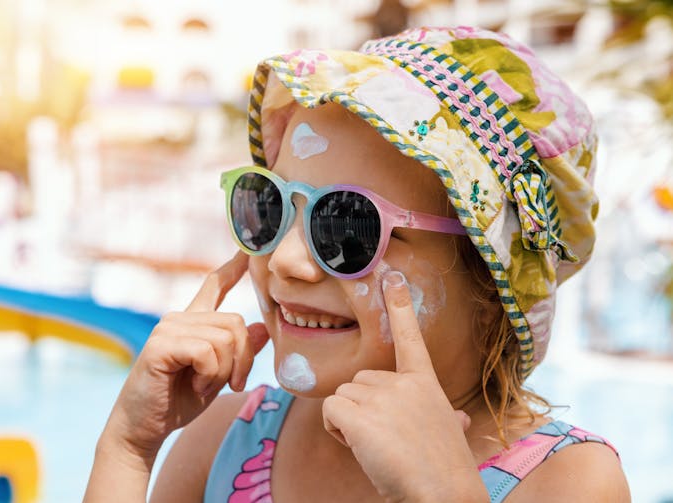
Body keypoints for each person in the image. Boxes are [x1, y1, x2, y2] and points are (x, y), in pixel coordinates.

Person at [85, 26, 630, 502]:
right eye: (271, 206)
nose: (287, 260)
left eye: (348, 225)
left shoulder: (567, 482)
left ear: (490, 282)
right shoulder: (226, 437)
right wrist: (130, 448)